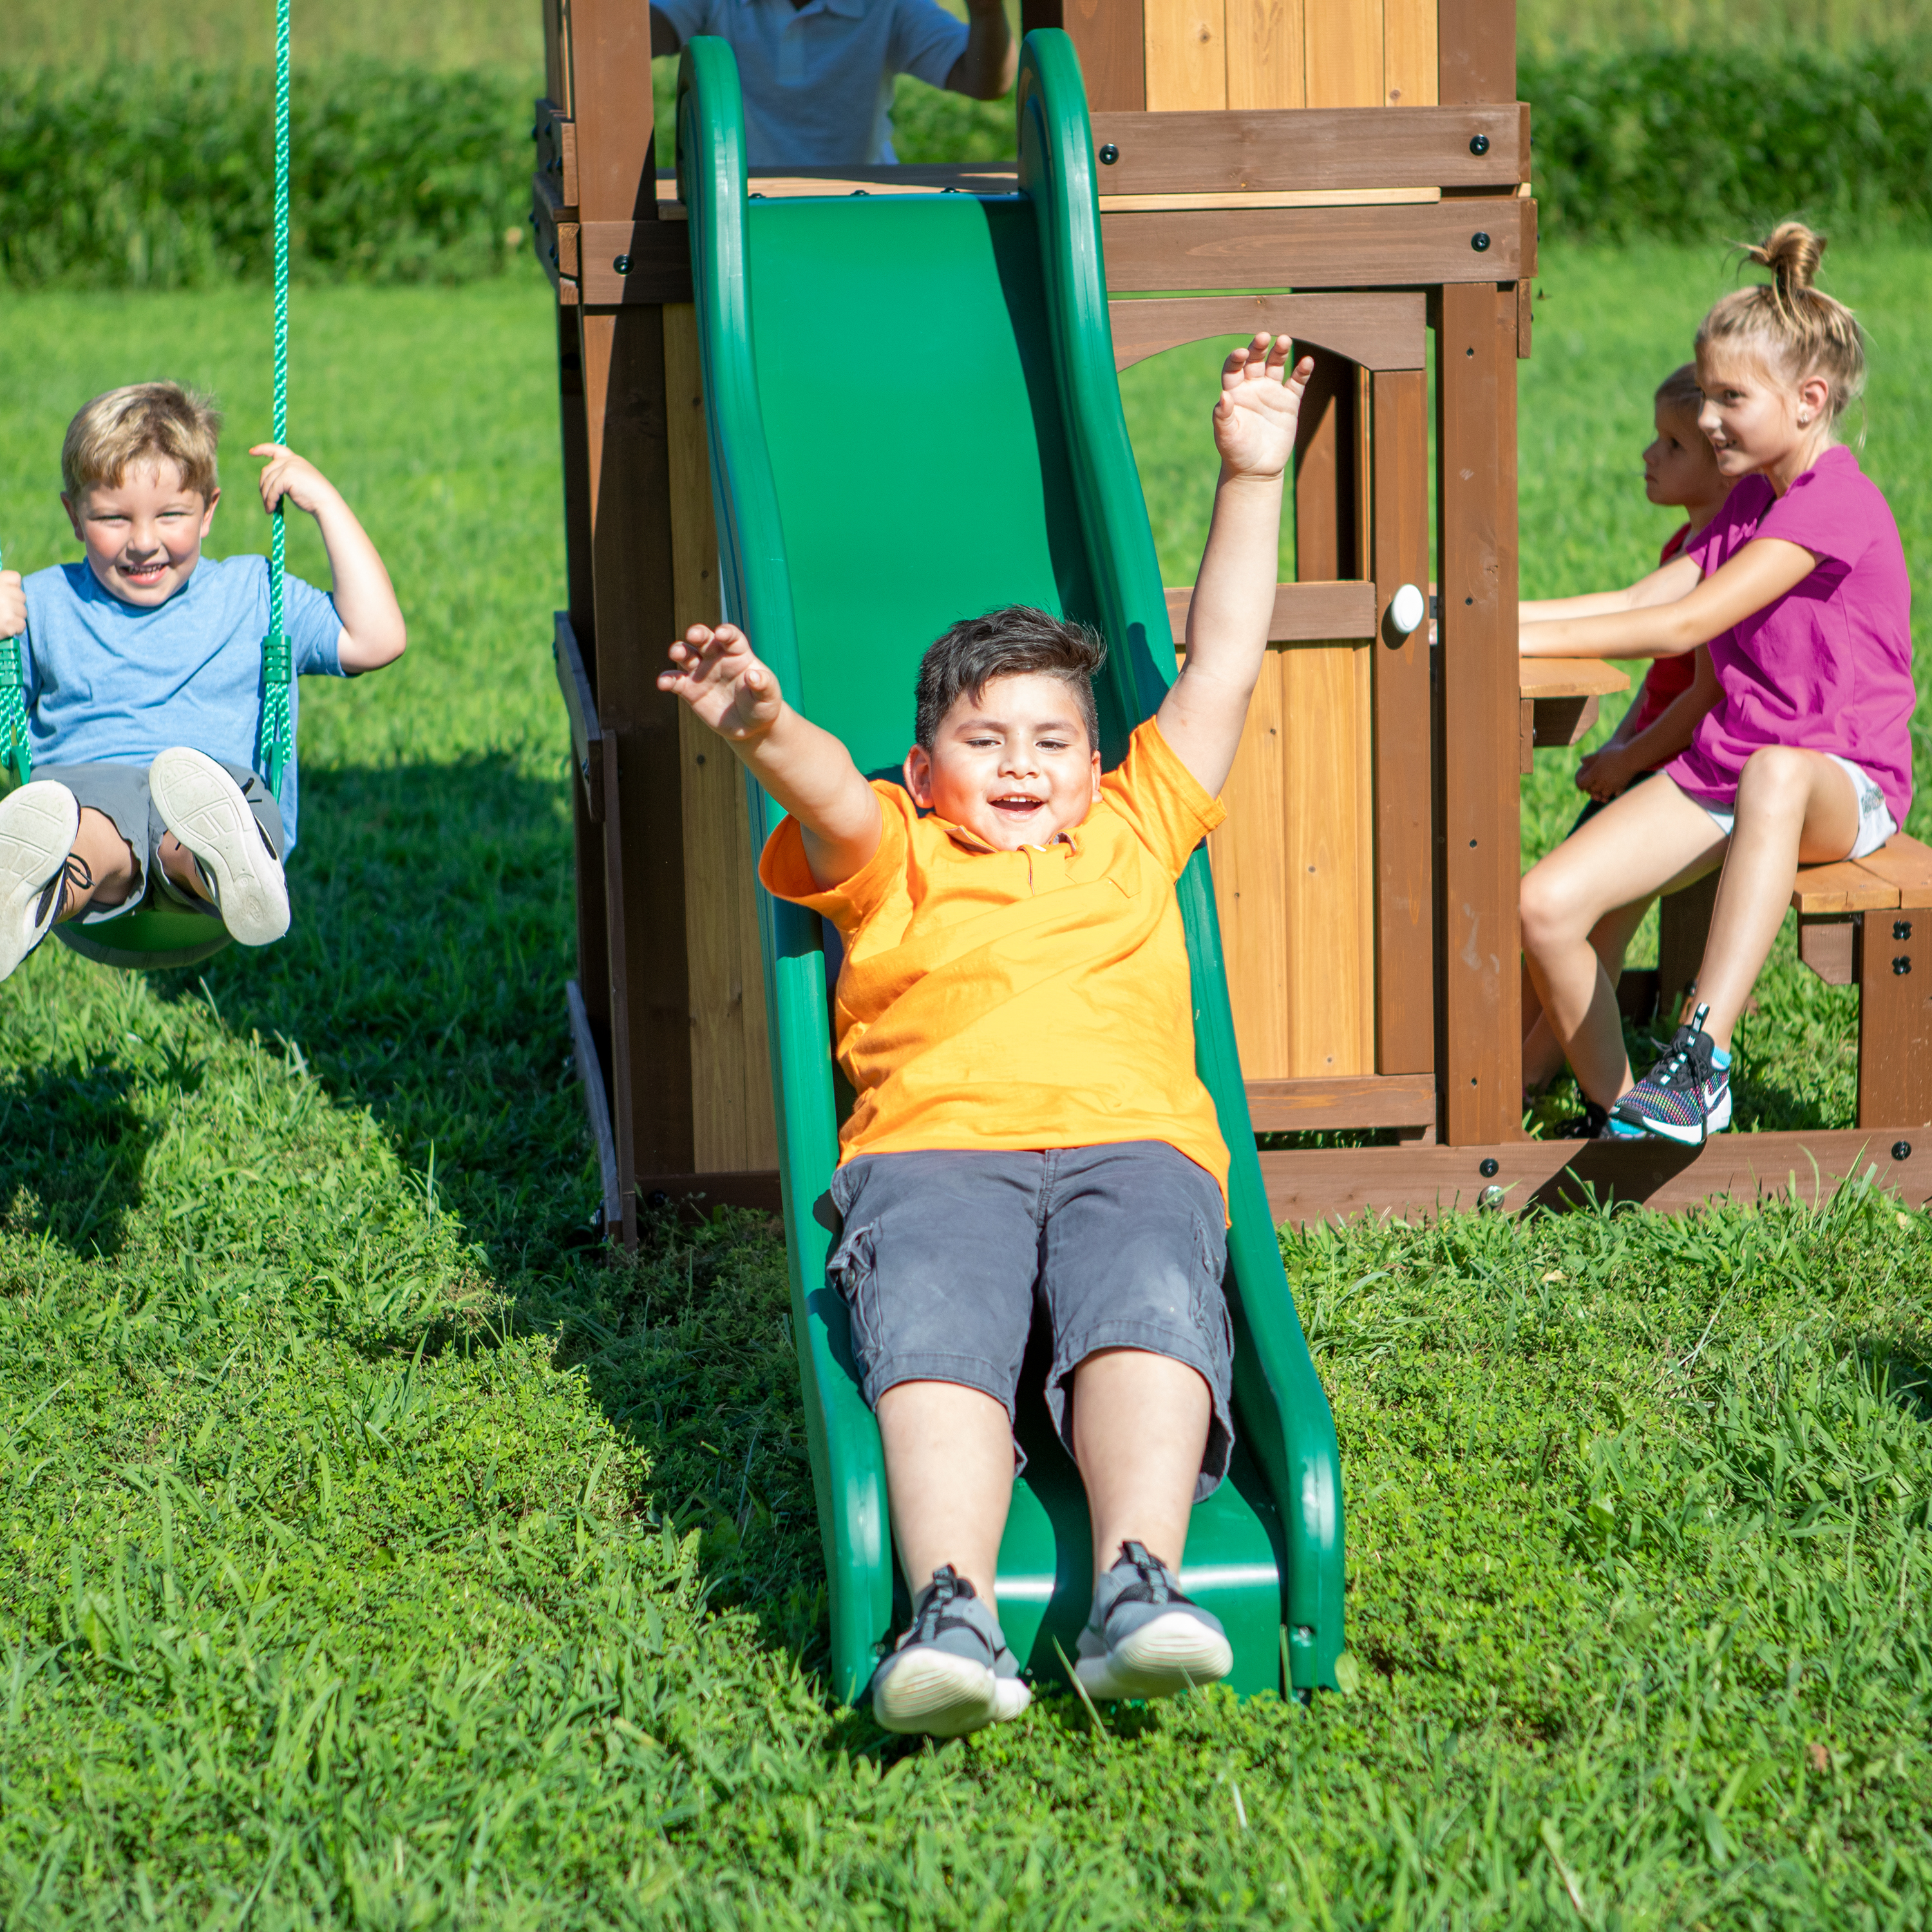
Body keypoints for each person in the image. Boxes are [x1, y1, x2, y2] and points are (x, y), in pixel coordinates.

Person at [659, 334, 1312, 1736]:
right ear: (925, 766)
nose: (1022, 765)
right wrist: (763, 724)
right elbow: (826, 790)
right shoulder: (893, 846)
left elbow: (1223, 671)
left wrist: (1252, 474)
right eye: (985, 738)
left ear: (1096, 763)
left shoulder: (1138, 829)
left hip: (1134, 1146)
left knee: (1147, 1299)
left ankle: (1139, 1583)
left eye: (1053, 740)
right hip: (936, 1157)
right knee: (937, 1330)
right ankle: (951, 1610)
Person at [1518, 223, 1912, 1144]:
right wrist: (1485, 621)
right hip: (1726, 768)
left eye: (1731, 398)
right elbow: (1636, 597)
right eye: (1708, 394)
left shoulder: (1835, 503)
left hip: (1839, 781)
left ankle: (1701, 1058)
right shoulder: (1745, 502)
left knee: (1778, 769)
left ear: (1810, 400)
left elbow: (1685, 625)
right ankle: (1631, 1115)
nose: (1707, 420)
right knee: (1547, 906)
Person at [0, 383, 406, 981]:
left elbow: (377, 640)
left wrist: (327, 505)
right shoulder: (41, 603)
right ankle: (28, 895)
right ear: (74, 516)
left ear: (209, 510)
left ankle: (228, 868)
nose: (143, 541)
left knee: (201, 815)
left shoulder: (253, 594)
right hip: (87, 796)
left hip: (218, 790)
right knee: (83, 825)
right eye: (113, 517)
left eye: (170, 515)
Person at [1518, 363, 1732, 1113]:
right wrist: (1622, 741)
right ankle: (1533, 1065)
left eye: (1672, 445)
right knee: (1580, 916)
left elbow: (1704, 697)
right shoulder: (1688, 539)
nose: (1649, 454)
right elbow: (1660, 680)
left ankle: (1535, 1080)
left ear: (1725, 463)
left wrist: (1630, 759)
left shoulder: (1718, 558)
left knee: (1597, 926)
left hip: (1679, 770)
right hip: (1648, 759)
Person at [649, 0, 1015, 168]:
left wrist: (985, 10)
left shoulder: (887, 7)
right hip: (742, 205)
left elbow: (984, 80)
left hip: (858, 199)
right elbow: (632, 41)